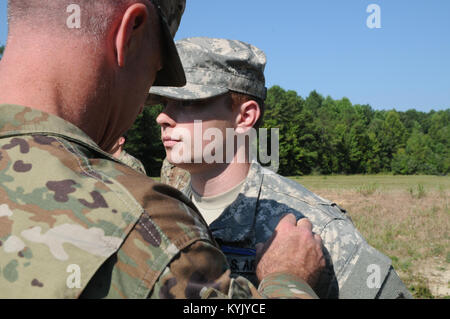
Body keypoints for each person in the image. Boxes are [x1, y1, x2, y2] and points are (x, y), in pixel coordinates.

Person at [0, 0, 325, 299]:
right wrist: (287, 280)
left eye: (191, 102)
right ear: (130, 32)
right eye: (156, 69)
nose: (160, 116)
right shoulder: (150, 230)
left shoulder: (317, 224)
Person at [150, 37, 413, 299]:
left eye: (187, 102)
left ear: (244, 117)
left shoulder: (314, 230)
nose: (162, 117)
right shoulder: (156, 213)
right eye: (164, 103)